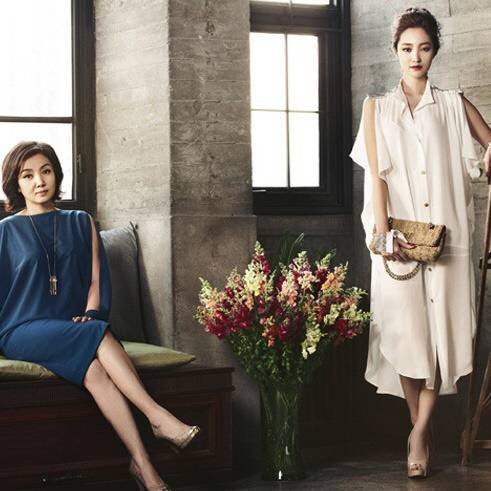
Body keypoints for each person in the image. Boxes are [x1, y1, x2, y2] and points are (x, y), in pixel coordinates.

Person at [0, 141, 200, 491]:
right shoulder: (5, 231)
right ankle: (157, 417)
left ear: (57, 174)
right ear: (16, 184)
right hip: (22, 328)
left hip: (70, 326)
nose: (39, 181)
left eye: (45, 171)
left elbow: (95, 277)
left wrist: (92, 312)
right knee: (98, 333)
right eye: (27, 176)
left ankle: (143, 466)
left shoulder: (80, 221)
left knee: (95, 369)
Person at [349, 7, 491, 479]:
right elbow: (377, 176)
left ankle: (418, 433)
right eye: (407, 48)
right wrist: (384, 232)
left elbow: (490, 145)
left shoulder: (453, 103)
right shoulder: (377, 108)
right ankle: (422, 431)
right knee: (406, 336)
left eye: (424, 48)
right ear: (395, 51)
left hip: (447, 238)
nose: (416, 56)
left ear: (435, 51)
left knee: (440, 339)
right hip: (398, 242)